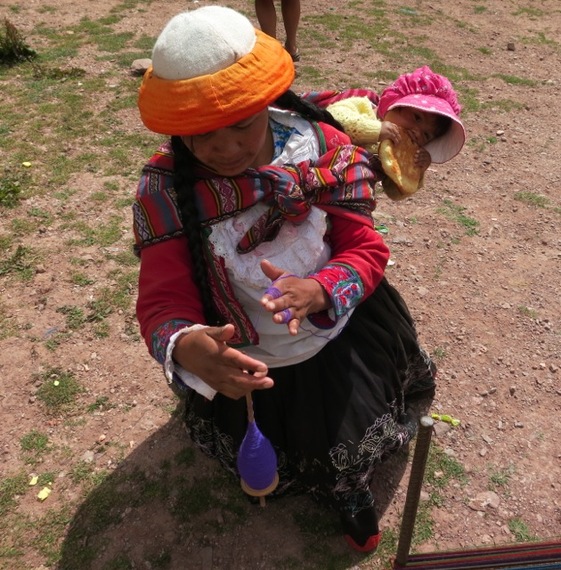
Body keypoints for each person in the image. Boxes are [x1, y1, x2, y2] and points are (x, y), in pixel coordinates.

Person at [134, 5, 436, 553]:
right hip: (254, 359)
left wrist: (324, 287)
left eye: (242, 123)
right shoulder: (165, 192)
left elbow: (364, 246)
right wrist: (187, 348)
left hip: (337, 336)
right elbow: (161, 299)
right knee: (277, 432)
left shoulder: (322, 148)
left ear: (267, 101)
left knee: (339, 431)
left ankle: (349, 487)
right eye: (200, 132)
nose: (224, 147)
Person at [303, 68, 465, 199]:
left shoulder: (395, 152)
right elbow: (334, 117)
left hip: (343, 195)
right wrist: (376, 130)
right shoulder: (363, 107)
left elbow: (393, 192)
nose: (416, 132)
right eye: (416, 117)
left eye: (426, 135)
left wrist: (416, 171)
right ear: (396, 104)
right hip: (308, 162)